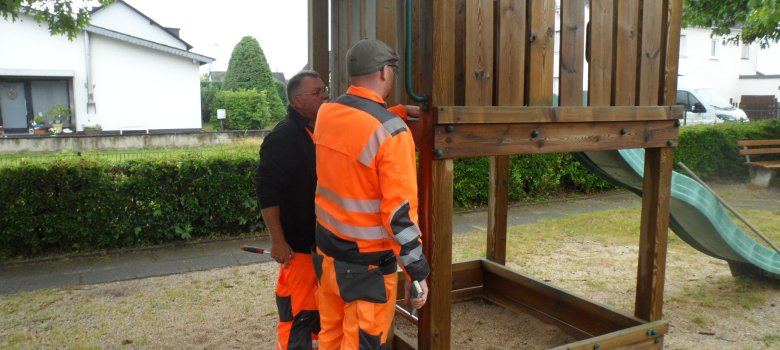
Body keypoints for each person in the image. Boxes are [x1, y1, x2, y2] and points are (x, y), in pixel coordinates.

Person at [312, 39, 430, 349]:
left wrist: (396, 112)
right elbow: (399, 216)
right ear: (383, 72)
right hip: (368, 268)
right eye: (393, 70)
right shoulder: (391, 133)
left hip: (328, 256)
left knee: (331, 338)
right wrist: (416, 273)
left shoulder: (327, 113)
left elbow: (358, 129)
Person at [256, 70, 329, 350]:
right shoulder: (283, 136)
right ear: (298, 101)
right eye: (318, 92)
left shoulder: (321, 128)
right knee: (298, 315)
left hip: (322, 243)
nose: (325, 95)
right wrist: (278, 240)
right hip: (298, 249)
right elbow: (266, 191)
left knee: (320, 312)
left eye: (325, 88)